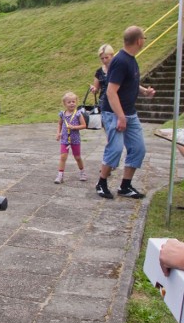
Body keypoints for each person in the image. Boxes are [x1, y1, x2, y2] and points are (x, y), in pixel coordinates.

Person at [96, 26, 155, 199]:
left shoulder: (130, 59)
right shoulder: (121, 61)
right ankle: (101, 183)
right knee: (114, 149)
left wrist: (144, 91)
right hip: (115, 113)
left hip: (130, 112)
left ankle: (125, 186)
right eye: (144, 38)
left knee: (138, 149)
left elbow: (128, 83)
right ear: (139, 40)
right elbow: (111, 92)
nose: (144, 40)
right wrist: (120, 117)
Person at [55, 91, 87, 184]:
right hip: (65, 139)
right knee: (63, 156)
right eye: (69, 102)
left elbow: (84, 125)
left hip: (75, 139)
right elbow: (60, 124)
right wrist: (58, 133)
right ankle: (60, 175)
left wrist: (74, 127)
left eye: (73, 101)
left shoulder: (78, 114)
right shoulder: (62, 114)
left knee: (77, 157)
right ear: (64, 104)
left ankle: (82, 172)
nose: (72, 103)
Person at [90, 44, 114, 109]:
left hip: (117, 100)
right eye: (102, 58)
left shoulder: (117, 69)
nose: (104, 60)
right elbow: (96, 90)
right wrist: (93, 89)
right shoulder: (99, 72)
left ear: (112, 56)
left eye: (106, 57)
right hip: (103, 102)